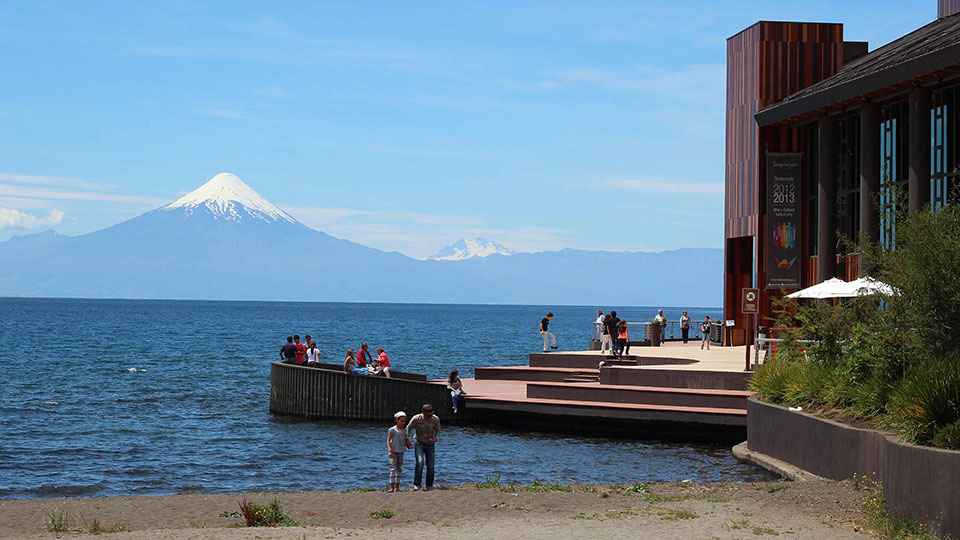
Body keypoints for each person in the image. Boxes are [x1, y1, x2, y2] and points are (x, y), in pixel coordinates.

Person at [407, 404, 441, 491]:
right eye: (427, 415)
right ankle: (417, 484)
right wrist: (406, 439)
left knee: (431, 465)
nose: (429, 417)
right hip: (419, 442)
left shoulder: (435, 419)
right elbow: (408, 428)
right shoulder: (416, 418)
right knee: (420, 462)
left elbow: (438, 430)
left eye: (431, 415)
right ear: (423, 413)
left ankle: (429, 485)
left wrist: (436, 438)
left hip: (430, 443)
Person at [387, 411, 413, 493]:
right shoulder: (392, 430)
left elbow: (406, 440)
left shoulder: (404, 431)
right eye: (401, 421)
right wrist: (390, 450)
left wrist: (409, 445)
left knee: (399, 469)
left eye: (404, 421)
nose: (403, 423)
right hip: (393, 451)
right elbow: (388, 440)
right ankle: (391, 486)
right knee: (393, 468)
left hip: (401, 451)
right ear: (397, 421)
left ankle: (397, 487)